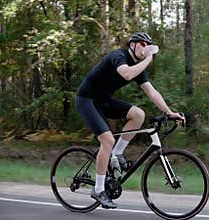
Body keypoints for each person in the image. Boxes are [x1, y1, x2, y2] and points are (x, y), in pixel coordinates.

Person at [75, 32, 185, 209]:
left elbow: (151, 92)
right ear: (132, 45)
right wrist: (148, 59)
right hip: (86, 100)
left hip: (104, 102)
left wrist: (169, 112)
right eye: (142, 43)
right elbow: (126, 74)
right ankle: (98, 189)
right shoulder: (119, 56)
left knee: (138, 115)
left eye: (148, 45)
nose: (145, 47)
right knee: (107, 140)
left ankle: (116, 154)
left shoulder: (138, 67)